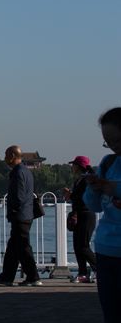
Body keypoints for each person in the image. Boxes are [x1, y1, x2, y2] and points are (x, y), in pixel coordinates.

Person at [84, 107, 121, 322]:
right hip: (107, 249)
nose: (114, 147)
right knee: (112, 312)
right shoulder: (108, 163)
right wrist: (94, 188)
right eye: (109, 142)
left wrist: (113, 187)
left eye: (118, 140)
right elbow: (95, 206)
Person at [0, 145, 41, 287]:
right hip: (26, 214)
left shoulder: (17, 173)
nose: (5, 158)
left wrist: (13, 210)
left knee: (22, 247)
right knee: (14, 247)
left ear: (13, 156)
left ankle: (33, 276)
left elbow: (18, 196)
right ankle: (7, 276)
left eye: (6, 155)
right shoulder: (26, 171)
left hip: (20, 215)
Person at [63, 155, 97, 282]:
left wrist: (70, 195)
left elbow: (82, 199)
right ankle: (82, 273)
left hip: (86, 215)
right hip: (80, 214)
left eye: (73, 165)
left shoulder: (86, 180)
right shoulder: (80, 180)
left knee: (83, 246)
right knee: (77, 246)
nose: (72, 167)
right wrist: (71, 195)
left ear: (78, 166)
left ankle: (99, 268)